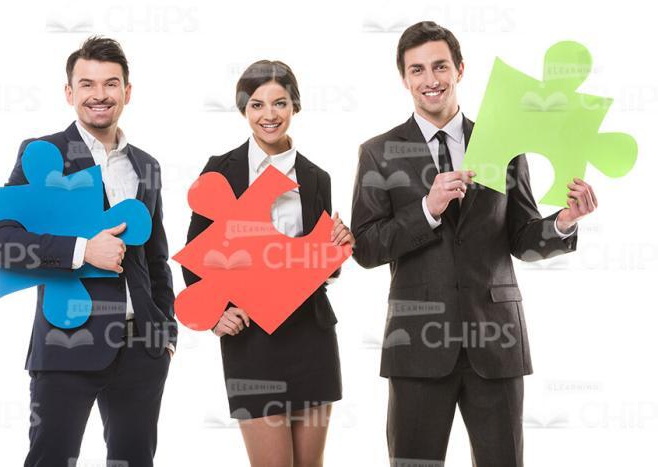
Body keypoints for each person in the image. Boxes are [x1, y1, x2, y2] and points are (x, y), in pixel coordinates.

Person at [350, 21, 596, 466]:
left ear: (460, 69)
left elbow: (522, 239)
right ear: (403, 78)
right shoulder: (379, 152)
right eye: (418, 70)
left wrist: (562, 222)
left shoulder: (503, 143)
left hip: (496, 342)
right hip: (417, 348)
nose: (431, 80)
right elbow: (366, 247)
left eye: (440, 66)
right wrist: (427, 208)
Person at [0, 36, 177, 467]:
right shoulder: (43, 155)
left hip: (142, 347)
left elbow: (157, 258)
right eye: (87, 84)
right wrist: (83, 250)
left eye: (111, 83)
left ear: (128, 91)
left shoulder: (146, 165)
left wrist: (166, 332)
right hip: (66, 341)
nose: (99, 95)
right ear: (70, 93)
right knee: (51, 458)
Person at [182, 60, 354, 467]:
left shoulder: (317, 178)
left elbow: (322, 267)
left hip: (311, 334)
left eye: (279, 103)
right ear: (244, 110)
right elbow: (195, 255)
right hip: (250, 341)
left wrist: (338, 249)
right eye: (257, 105)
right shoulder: (220, 171)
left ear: (295, 105)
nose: (269, 115)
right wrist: (215, 315)